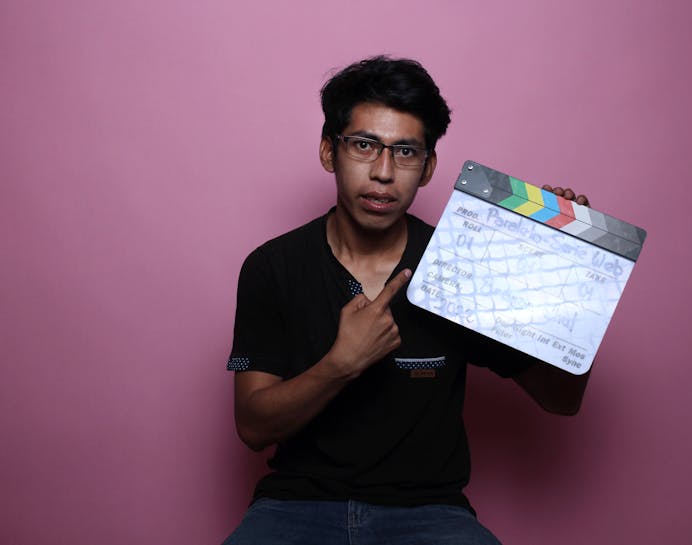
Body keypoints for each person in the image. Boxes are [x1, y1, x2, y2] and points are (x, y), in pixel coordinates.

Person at [223, 56, 590, 545]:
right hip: (296, 507)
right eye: (363, 145)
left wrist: (572, 286)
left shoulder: (464, 267)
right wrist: (341, 364)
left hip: (430, 514)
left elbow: (561, 399)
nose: (383, 172)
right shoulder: (272, 267)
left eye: (406, 152)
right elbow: (252, 426)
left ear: (429, 167)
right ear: (329, 152)